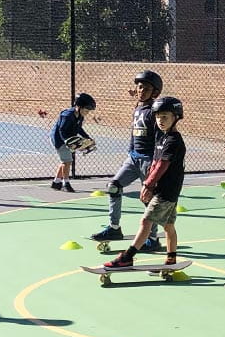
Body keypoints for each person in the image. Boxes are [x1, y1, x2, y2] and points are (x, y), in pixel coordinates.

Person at [103, 97, 187, 269]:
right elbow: (155, 162)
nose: (160, 121)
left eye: (165, 117)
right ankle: (171, 260)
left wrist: (148, 184)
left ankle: (128, 256)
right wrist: (148, 183)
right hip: (166, 191)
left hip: (166, 191)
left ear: (176, 117)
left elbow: (162, 165)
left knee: (146, 222)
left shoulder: (173, 140)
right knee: (169, 226)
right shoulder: (162, 138)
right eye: (158, 117)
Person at [90, 71, 165, 252]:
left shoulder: (154, 111)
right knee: (114, 186)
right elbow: (134, 133)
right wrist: (131, 151)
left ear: (155, 93)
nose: (141, 91)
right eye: (139, 87)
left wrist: (156, 161)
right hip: (133, 158)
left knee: (148, 198)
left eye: (146, 88)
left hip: (148, 159)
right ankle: (115, 228)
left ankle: (153, 239)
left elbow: (159, 138)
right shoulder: (138, 108)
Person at [50, 93, 97, 192]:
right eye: (86, 110)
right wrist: (67, 142)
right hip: (59, 139)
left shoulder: (80, 116)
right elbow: (61, 130)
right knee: (67, 161)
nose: (88, 112)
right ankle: (65, 183)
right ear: (79, 107)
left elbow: (79, 129)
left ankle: (56, 182)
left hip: (68, 138)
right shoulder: (67, 115)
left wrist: (88, 138)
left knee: (65, 160)